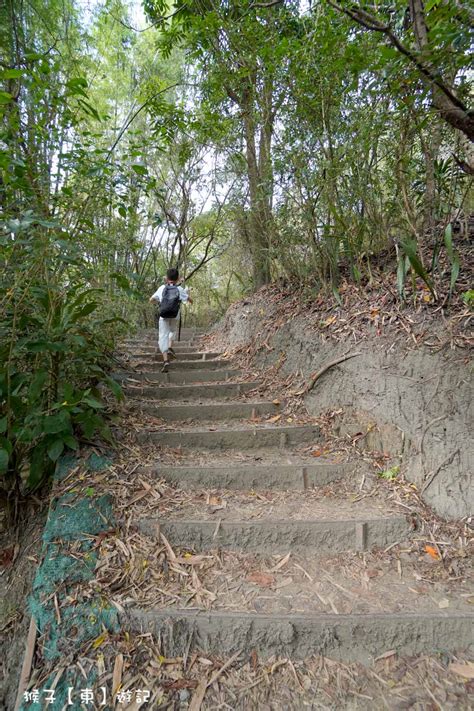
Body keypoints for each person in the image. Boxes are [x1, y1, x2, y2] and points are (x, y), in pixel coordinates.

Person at [149, 268, 192, 372]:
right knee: (172, 331)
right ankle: (170, 347)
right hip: (175, 315)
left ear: (167, 278)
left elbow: (151, 300)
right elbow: (190, 300)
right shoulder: (179, 289)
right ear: (177, 279)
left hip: (163, 316)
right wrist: (188, 297)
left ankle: (166, 360)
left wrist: (158, 302)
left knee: (163, 336)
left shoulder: (162, 288)